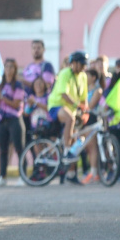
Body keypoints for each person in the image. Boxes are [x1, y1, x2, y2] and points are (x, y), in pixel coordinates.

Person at [47, 51, 89, 181]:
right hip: (57, 106)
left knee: (75, 142)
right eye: (81, 64)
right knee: (70, 119)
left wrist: (86, 111)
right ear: (74, 63)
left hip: (72, 109)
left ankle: (71, 174)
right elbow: (63, 94)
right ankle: (66, 150)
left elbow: (84, 98)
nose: (84, 67)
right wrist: (77, 105)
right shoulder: (65, 73)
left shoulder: (83, 76)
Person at [0, 59, 26, 187]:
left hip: (14, 119)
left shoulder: (18, 85)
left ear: (15, 69)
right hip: (2, 119)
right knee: (3, 150)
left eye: (11, 67)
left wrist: (2, 97)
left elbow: (16, 104)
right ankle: (2, 176)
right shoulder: (0, 85)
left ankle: (22, 176)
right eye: (7, 67)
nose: (9, 69)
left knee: (19, 149)